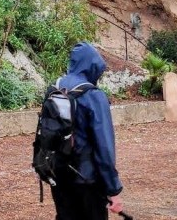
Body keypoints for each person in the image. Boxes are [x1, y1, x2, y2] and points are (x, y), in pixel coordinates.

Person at [51, 42, 124, 220]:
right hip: (87, 179)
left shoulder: (54, 88)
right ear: (93, 66)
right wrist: (113, 189)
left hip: (58, 174)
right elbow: (104, 147)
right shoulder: (93, 95)